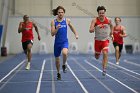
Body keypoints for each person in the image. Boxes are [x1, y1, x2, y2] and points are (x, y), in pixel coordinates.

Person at [51, 6, 78, 80]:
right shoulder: (54, 22)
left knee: (65, 53)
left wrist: (76, 34)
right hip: (57, 43)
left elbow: (72, 27)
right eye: (59, 12)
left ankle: (64, 64)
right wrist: (57, 28)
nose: (60, 14)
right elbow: (52, 34)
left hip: (64, 42)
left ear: (64, 13)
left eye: (62, 12)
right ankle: (58, 73)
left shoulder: (67, 20)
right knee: (57, 60)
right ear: (57, 13)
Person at [89, 6, 113, 76]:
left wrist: (111, 33)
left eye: (103, 13)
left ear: (104, 13)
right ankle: (97, 54)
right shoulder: (95, 20)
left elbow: (112, 26)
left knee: (105, 53)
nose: (101, 14)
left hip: (105, 40)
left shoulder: (108, 20)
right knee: (97, 56)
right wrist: (92, 29)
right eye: (100, 13)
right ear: (98, 13)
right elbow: (90, 29)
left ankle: (104, 69)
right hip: (97, 41)